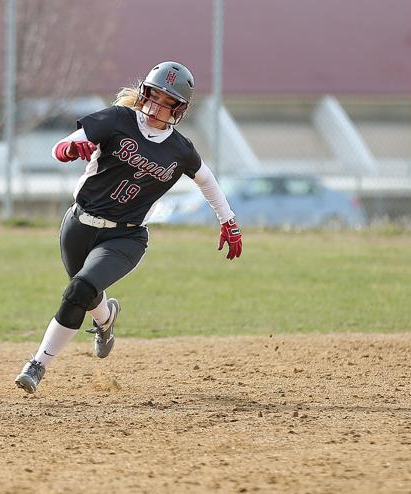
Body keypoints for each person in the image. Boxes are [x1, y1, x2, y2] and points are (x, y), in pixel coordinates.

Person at [14, 61, 243, 394]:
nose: (158, 106)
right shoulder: (116, 119)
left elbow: (205, 179)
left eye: (168, 102)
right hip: (79, 224)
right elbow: (62, 145)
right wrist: (68, 149)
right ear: (143, 93)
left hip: (126, 235)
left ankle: (37, 365)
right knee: (86, 292)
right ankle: (106, 320)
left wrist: (228, 219)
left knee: (79, 290)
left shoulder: (180, 149)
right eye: (154, 96)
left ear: (179, 109)